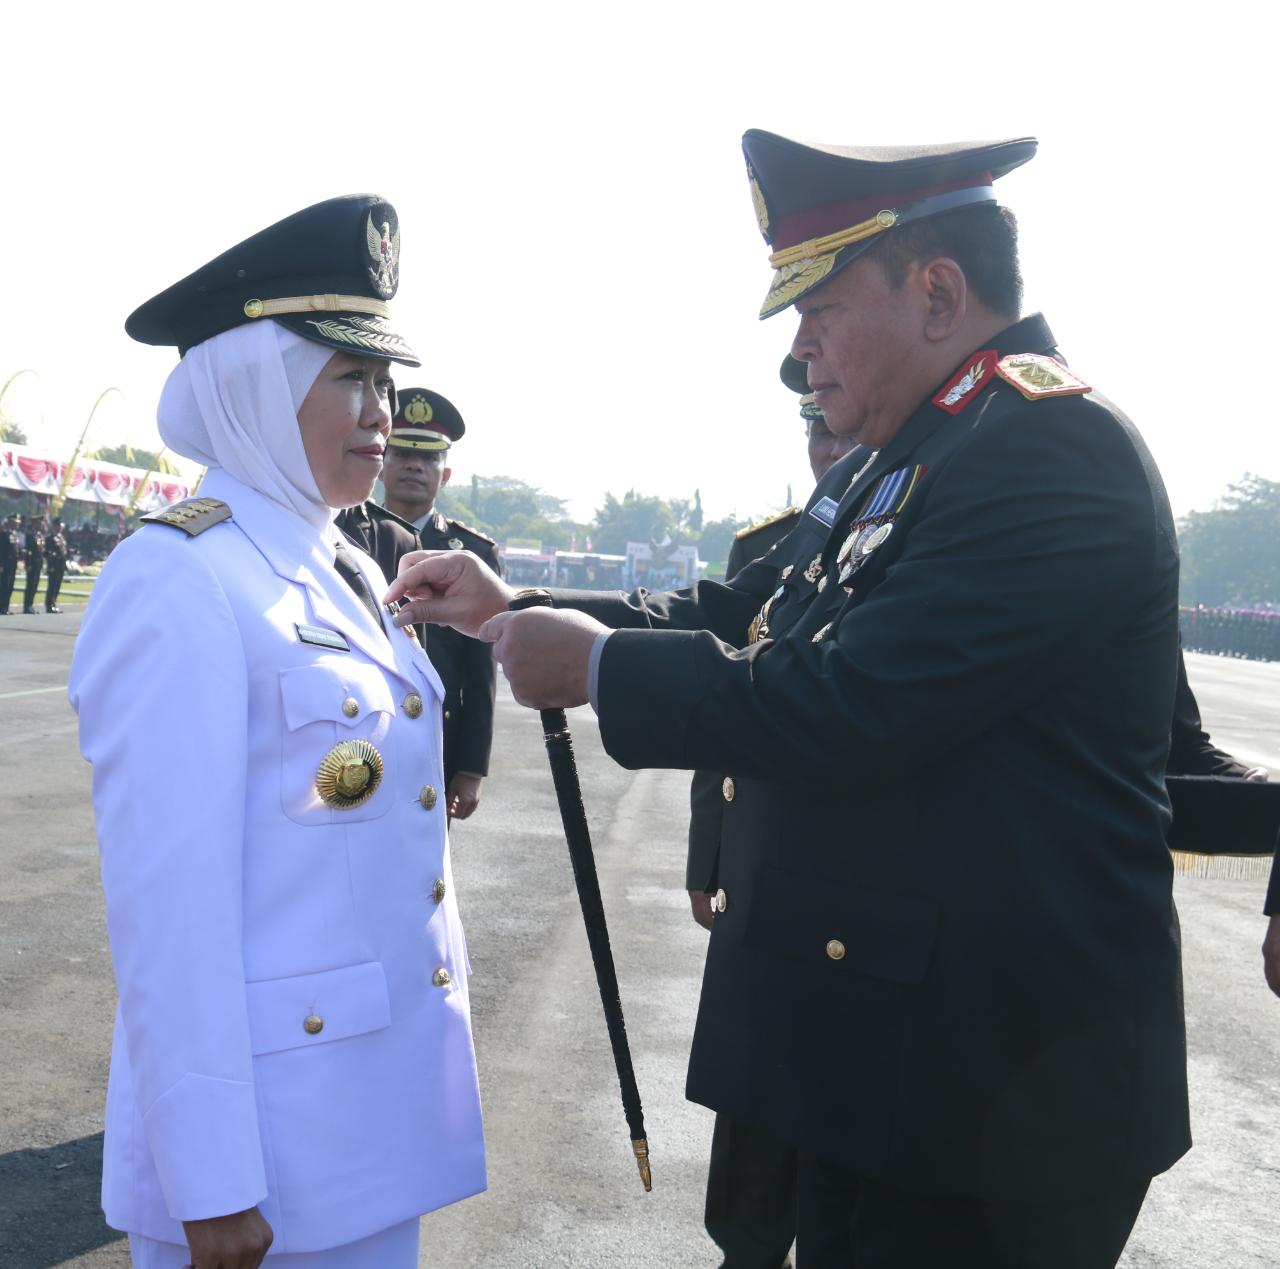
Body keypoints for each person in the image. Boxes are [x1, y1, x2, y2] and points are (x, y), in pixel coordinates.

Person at [389, 132, 1189, 1268]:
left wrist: (601, 670)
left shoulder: (1047, 446)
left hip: (996, 1096)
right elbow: (742, 616)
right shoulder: (907, 451)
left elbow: (858, 702)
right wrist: (510, 605)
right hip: (887, 1060)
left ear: (937, 291)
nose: (801, 345)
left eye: (817, 307)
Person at [68, 195, 485, 1269]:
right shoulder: (179, 574)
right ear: (253, 385)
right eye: (348, 377)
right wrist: (211, 1181)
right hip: (266, 1155)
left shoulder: (338, 562)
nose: (381, 409)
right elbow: (170, 914)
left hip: (366, 1125)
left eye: (383, 381)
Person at [688, 358, 861, 1269]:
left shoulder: (930, 521)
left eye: (841, 425)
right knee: (754, 1147)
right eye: (818, 432)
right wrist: (707, 856)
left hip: (861, 901)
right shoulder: (776, 544)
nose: (833, 448)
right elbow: (725, 708)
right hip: (765, 885)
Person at [371, 390, 500, 820]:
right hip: (362, 727)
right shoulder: (350, 537)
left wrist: (471, 767)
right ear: (381, 463)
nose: (414, 465)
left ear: (445, 475)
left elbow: (482, 673)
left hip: (437, 739)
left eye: (428, 458)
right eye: (403, 452)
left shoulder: (474, 554)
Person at [21, 513, 44, 613]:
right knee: (30, 585)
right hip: (32, 563)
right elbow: (29, 551)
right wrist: (28, 564)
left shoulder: (39, 535)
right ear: (34, 523)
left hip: (38, 563)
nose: (41, 525)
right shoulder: (30, 535)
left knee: (35, 585)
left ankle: (31, 605)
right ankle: (27, 606)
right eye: (39, 523)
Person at [44, 516, 67, 612]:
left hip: (60, 565)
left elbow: (63, 551)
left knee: (57, 586)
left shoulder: (61, 537)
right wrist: (51, 566)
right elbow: (48, 554)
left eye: (60, 526)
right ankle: (49, 605)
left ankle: (54, 603)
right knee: (52, 586)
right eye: (57, 526)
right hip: (54, 565)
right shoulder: (50, 538)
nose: (59, 528)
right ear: (54, 526)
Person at [0, 512, 19, 614]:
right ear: (10, 522)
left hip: (13, 564)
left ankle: (6, 607)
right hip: (6, 564)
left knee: (10, 586)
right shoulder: (4, 534)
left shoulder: (14, 534)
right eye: (15, 522)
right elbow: (2, 551)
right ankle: (2, 607)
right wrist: (1, 565)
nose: (17, 524)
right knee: (4, 586)